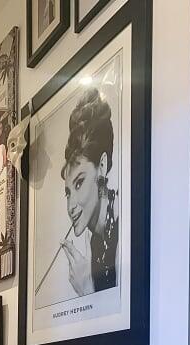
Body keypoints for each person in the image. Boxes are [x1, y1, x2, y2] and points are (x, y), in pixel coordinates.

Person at [60, 87, 119, 297]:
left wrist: (86, 289)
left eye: (79, 183)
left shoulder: (123, 228)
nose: (71, 207)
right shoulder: (94, 240)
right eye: (68, 192)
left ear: (102, 166)